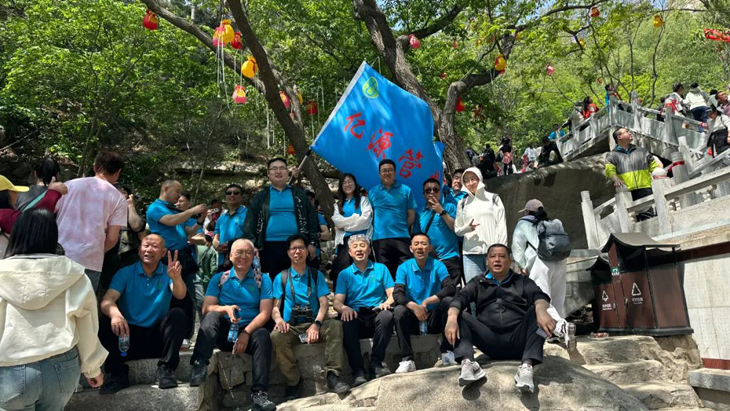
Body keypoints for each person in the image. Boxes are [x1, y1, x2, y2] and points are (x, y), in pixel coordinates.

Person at [0, 209, 106, 410]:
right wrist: (93, 369)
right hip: (61, 366)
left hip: (9, 368)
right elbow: (87, 325)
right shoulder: (73, 273)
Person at [444, 244, 555, 392]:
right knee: (458, 314)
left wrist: (541, 310)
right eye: (492, 256)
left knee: (536, 311)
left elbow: (539, 296)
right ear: (487, 261)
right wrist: (451, 318)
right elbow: (460, 298)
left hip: (518, 341)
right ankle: (468, 363)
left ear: (510, 260)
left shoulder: (522, 281)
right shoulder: (478, 282)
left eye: (502, 256)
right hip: (489, 341)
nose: (497, 260)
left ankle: (527, 367)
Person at [189, 239, 275, 411]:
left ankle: (259, 395)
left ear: (254, 256)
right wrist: (225, 309)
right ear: (230, 256)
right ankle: (199, 363)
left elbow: (265, 313)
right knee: (211, 316)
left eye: (248, 252)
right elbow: (206, 307)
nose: (244, 256)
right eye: (239, 252)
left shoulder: (263, 279)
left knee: (263, 335)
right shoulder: (219, 278)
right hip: (226, 332)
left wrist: (246, 333)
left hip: (250, 331)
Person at [98, 234, 188, 394]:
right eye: (146, 246)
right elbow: (107, 300)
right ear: (139, 250)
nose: (149, 250)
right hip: (127, 338)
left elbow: (180, 295)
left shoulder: (168, 272)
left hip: (156, 338)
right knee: (105, 320)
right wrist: (115, 314)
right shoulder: (125, 273)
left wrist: (176, 278)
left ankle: (166, 369)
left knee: (178, 315)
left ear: (163, 252)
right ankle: (118, 373)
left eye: (155, 246)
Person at [270, 234, 349, 400]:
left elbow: (324, 303)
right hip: (291, 327)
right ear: (288, 252)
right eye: (293, 248)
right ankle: (293, 381)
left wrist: (317, 324)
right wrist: (279, 320)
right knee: (276, 336)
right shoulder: (281, 277)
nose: (297, 251)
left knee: (335, 326)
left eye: (301, 247)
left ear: (307, 251)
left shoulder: (316, 275)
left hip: (314, 324)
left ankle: (333, 375)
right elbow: (275, 307)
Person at [55, 151, 127, 293]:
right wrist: (98, 250)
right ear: (118, 172)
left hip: (59, 255)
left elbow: (49, 213)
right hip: (90, 260)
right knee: (83, 305)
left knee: (55, 302)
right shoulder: (118, 198)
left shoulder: (68, 186)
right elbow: (112, 238)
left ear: (95, 167)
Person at [511, 199, 576, 350]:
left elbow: (517, 246)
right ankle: (553, 334)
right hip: (560, 262)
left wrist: (522, 265)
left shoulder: (523, 223)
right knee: (557, 299)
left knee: (542, 301)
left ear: (527, 211)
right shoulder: (552, 223)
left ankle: (561, 327)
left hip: (540, 263)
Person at [334, 235, 395, 384]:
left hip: (376, 312)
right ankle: (357, 371)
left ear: (369, 250)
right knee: (346, 322)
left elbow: (392, 294)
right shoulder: (344, 274)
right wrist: (345, 308)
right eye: (355, 247)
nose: (359, 249)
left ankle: (376, 363)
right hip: (356, 314)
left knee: (387, 316)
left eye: (362, 246)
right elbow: (337, 303)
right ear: (350, 252)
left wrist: (386, 303)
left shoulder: (381, 268)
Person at [244, 157, 319, 278]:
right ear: (268, 173)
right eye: (274, 169)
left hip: (296, 246)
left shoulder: (299, 195)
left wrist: (311, 243)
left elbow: (311, 219)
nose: (278, 171)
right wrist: (252, 245)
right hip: (268, 246)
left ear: (288, 172)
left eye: (282, 168)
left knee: (298, 280)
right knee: (271, 281)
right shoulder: (261, 196)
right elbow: (250, 222)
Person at [393, 233, 457, 373]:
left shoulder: (438, 265)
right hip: (412, 317)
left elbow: (450, 287)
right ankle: (407, 359)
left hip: (433, 316)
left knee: (448, 302)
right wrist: (414, 306)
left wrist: (428, 301)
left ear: (430, 248)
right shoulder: (403, 267)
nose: (420, 247)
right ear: (411, 248)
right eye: (416, 244)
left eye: (423, 244)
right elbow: (397, 294)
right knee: (398, 311)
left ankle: (447, 352)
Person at [454, 167, 508, 283]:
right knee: (474, 289)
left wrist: (502, 251)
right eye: (467, 180)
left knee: (497, 287)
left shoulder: (493, 198)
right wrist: (467, 228)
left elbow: (502, 226)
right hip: (470, 254)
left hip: (493, 253)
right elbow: (457, 230)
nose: (470, 183)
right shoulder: (462, 203)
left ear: (480, 178)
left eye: (473, 179)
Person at [368, 159, 417, 278]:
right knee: (385, 274)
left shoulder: (406, 190)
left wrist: (402, 227)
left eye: (390, 170)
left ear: (395, 172)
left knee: (406, 272)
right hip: (380, 239)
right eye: (384, 170)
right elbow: (370, 216)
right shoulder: (372, 192)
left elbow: (411, 214)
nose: (387, 173)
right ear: (379, 174)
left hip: (402, 237)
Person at [0, 175, 66, 258]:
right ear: (5, 194)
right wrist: (53, 193)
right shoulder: (3, 215)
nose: (17, 194)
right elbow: (35, 220)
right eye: (13, 191)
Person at [605, 128, 662, 221]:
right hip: (628, 190)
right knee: (634, 219)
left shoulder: (642, 151)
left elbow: (653, 165)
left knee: (650, 215)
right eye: (627, 132)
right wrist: (616, 179)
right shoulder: (612, 155)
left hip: (645, 187)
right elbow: (609, 170)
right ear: (619, 137)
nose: (630, 133)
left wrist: (658, 173)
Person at [100, 184, 146, 293]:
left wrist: (131, 206)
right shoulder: (103, 209)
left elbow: (136, 226)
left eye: (123, 192)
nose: (119, 194)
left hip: (128, 256)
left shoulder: (132, 211)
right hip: (107, 256)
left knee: (128, 289)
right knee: (106, 289)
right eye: (116, 191)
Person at [416, 178, 462, 283]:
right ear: (423, 194)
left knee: (452, 291)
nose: (432, 192)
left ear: (440, 192)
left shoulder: (449, 207)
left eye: (435, 190)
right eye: (428, 190)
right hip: (430, 260)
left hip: (450, 258)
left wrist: (441, 211)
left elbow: (456, 228)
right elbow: (418, 236)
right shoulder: (420, 213)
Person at [331, 173, 372, 288]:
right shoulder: (338, 204)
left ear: (355, 184)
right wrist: (355, 218)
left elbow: (365, 221)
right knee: (344, 271)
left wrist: (345, 226)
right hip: (344, 243)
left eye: (350, 181)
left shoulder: (363, 200)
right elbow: (337, 221)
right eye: (344, 182)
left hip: (362, 240)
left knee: (362, 271)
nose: (347, 184)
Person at [213, 184, 248, 267]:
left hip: (242, 260)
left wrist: (231, 244)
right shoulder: (222, 218)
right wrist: (216, 245)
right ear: (226, 197)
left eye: (236, 193)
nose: (232, 195)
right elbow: (216, 237)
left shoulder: (248, 214)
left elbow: (252, 236)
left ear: (242, 197)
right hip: (223, 261)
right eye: (229, 193)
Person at [306, 190, 332, 269]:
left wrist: (316, 235)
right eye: (306, 199)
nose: (309, 201)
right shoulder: (295, 216)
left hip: (314, 254)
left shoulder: (317, 216)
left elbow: (327, 235)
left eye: (311, 199)